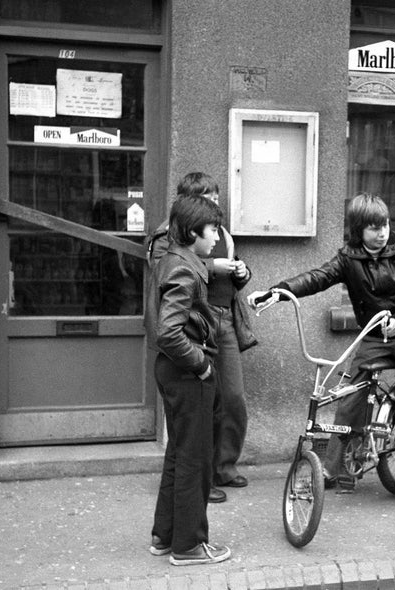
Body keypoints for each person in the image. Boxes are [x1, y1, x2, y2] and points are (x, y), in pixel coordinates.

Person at [248, 193, 395, 510]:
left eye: (385, 225)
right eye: (373, 228)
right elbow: (317, 277)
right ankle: (332, 469)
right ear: (357, 230)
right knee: (347, 400)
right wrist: (278, 292)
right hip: (373, 338)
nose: (381, 232)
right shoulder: (348, 258)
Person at [148, 173, 255, 504]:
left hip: (224, 319)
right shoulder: (167, 235)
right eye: (208, 197)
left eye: (217, 196)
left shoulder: (221, 231)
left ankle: (224, 466)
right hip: (194, 325)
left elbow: (234, 271)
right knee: (200, 406)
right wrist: (213, 267)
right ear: (188, 202)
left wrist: (241, 272)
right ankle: (200, 478)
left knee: (233, 399)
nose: (215, 202)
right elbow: (166, 272)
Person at [144, 194, 231, 566]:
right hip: (186, 371)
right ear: (194, 231)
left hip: (172, 369)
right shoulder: (184, 267)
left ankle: (165, 536)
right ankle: (189, 546)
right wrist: (202, 365)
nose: (216, 238)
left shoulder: (174, 260)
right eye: (212, 230)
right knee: (195, 459)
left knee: (179, 455)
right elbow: (168, 331)